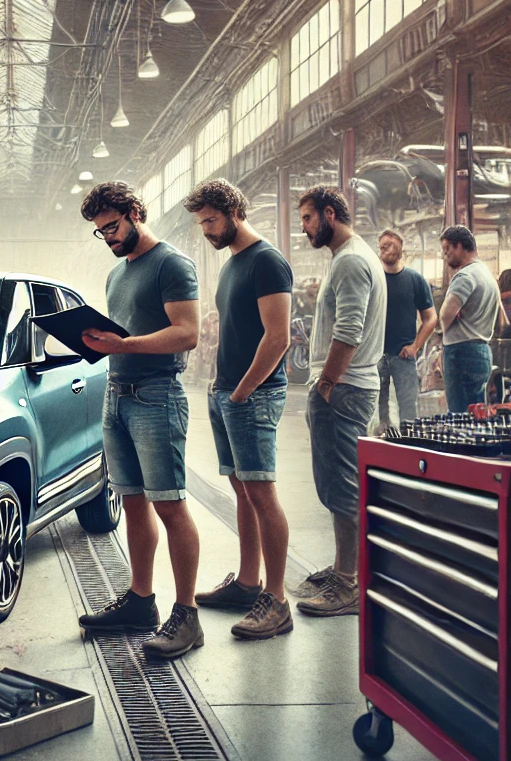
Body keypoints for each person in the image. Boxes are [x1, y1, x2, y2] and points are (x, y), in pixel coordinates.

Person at [77, 181, 204, 660]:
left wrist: (124, 346)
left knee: (169, 504)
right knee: (133, 502)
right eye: (100, 232)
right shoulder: (118, 275)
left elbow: (187, 333)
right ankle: (140, 601)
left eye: (112, 226)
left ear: (134, 213)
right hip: (117, 395)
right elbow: (122, 335)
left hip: (156, 396)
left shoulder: (171, 264)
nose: (108, 237)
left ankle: (187, 616)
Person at [183, 179, 294, 641]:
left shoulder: (267, 262)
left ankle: (278, 599)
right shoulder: (233, 265)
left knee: (261, 492)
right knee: (242, 490)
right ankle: (249, 584)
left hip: (253, 395)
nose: (206, 229)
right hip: (227, 392)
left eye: (211, 220)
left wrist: (245, 389)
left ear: (233, 211)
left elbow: (278, 336)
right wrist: (222, 386)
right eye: (202, 222)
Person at [296, 185, 385, 618]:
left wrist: (326, 383)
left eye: (309, 219)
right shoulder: (353, 256)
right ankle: (344, 569)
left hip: (344, 388)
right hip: (352, 387)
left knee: (342, 487)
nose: (305, 228)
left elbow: (349, 329)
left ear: (330, 213)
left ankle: (348, 584)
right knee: (340, 483)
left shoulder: (350, 260)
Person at [375, 229, 436, 430]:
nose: (387, 250)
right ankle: (378, 450)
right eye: (383, 246)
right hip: (374, 356)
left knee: (409, 413)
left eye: (392, 245)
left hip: (404, 356)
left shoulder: (415, 280)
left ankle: (408, 449)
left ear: (401, 250)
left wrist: (415, 346)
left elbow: (430, 318)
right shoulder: (373, 279)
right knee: (376, 411)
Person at [439, 225, 501, 413]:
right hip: (482, 351)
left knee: (460, 417)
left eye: (447, 249)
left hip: (461, 353)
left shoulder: (465, 276)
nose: (445, 256)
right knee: (476, 415)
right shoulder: (486, 274)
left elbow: (444, 316)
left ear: (459, 247)